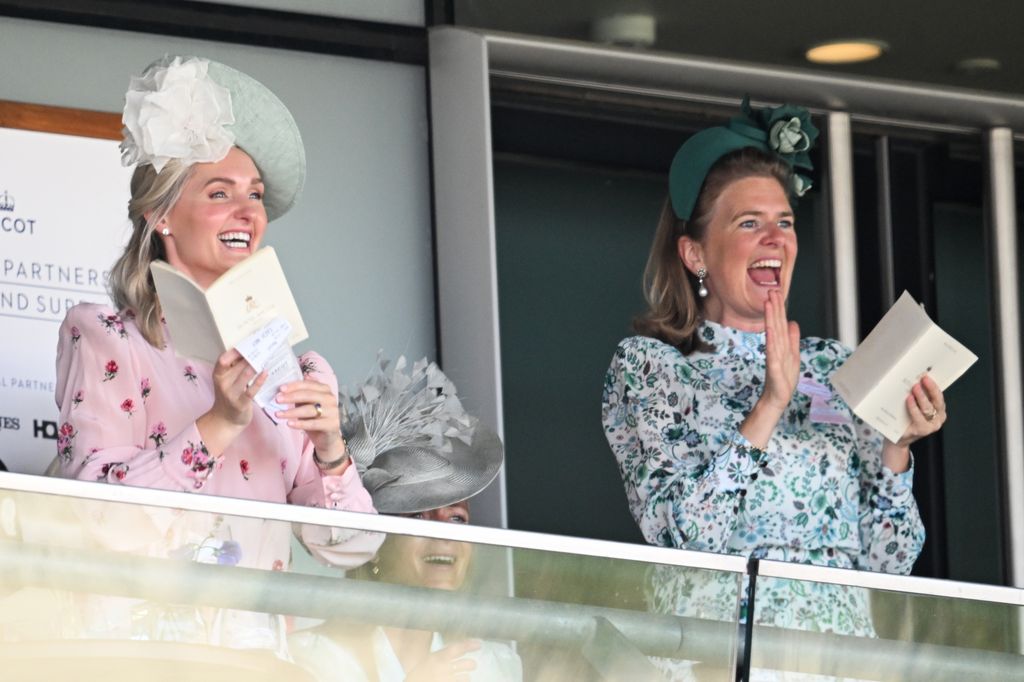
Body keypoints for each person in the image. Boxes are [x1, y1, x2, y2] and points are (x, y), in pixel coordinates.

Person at [49, 55, 381, 649]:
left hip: (251, 659)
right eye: (219, 192)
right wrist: (218, 425)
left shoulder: (298, 369)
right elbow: (96, 519)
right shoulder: (103, 336)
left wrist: (332, 452)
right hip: (133, 657)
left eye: (255, 196)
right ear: (161, 214)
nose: (248, 211)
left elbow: (352, 551)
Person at [601, 100, 941, 639]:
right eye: (749, 223)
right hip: (718, 657)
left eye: (784, 221)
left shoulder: (836, 364)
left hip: (837, 663)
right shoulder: (653, 367)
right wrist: (769, 405)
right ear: (695, 255)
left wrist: (897, 447)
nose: (775, 238)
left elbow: (889, 563)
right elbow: (685, 538)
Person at [290, 356, 522, 682]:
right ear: (374, 546)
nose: (444, 534)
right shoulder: (311, 659)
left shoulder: (494, 666)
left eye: (456, 518)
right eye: (416, 516)